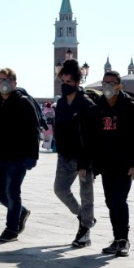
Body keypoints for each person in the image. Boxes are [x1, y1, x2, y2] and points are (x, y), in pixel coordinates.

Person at [81, 71, 134, 257]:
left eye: (112, 83)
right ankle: (117, 238)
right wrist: (85, 164)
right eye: (105, 83)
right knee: (111, 202)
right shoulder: (97, 110)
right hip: (106, 165)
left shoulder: (130, 109)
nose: (108, 86)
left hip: (125, 165)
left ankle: (123, 240)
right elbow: (89, 139)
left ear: (119, 86)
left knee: (119, 200)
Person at [0, 68, 39, 242]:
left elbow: (34, 131)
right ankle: (21, 211)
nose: (4, 83)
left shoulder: (23, 102)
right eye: (1, 79)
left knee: (12, 191)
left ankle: (11, 229)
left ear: (14, 83)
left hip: (17, 155)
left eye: (7, 79)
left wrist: (33, 155)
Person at [53, 59, 96, 248]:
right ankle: (83, 216)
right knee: (60, 189)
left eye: (68, 82)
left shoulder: (86, 104)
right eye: (63, 81)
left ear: (77, 82)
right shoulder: (61, 104)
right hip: (65, 155)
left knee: (86, 194)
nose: (65, 85)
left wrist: (84, 162)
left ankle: (85, 231)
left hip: (83, 156)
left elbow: (91, 136)